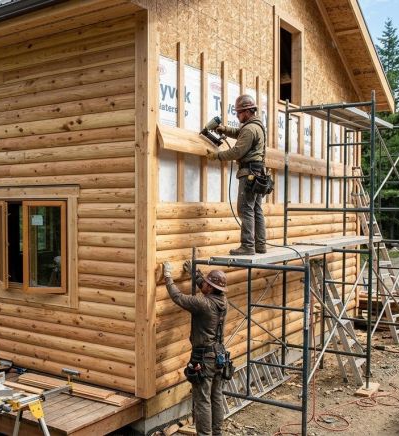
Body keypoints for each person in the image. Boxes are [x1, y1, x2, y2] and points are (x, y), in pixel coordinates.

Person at [162, 261, 228, 436]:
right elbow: (206, 286)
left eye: (206, 283)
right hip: (219, 355)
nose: (203, 284)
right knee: (216, 396)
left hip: (205, 358)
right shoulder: (222, 300)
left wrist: (168, 277)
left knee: (203, 400)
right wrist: (195, 273)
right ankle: (217, 433)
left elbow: (178, 297)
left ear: (211, 287)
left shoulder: (203, 304)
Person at [207, 94, 267, 255]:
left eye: (239, 113)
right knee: (256, 209)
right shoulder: (256, 125)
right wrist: (224, 129)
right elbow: (240, 133)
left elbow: (237, 151)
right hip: (259, 173)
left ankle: (248, 246)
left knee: (245, 209)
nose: (237, 115)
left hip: (249, 173)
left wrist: (217, 156)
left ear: (247, 111)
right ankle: (260, 245)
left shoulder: (249, 128)